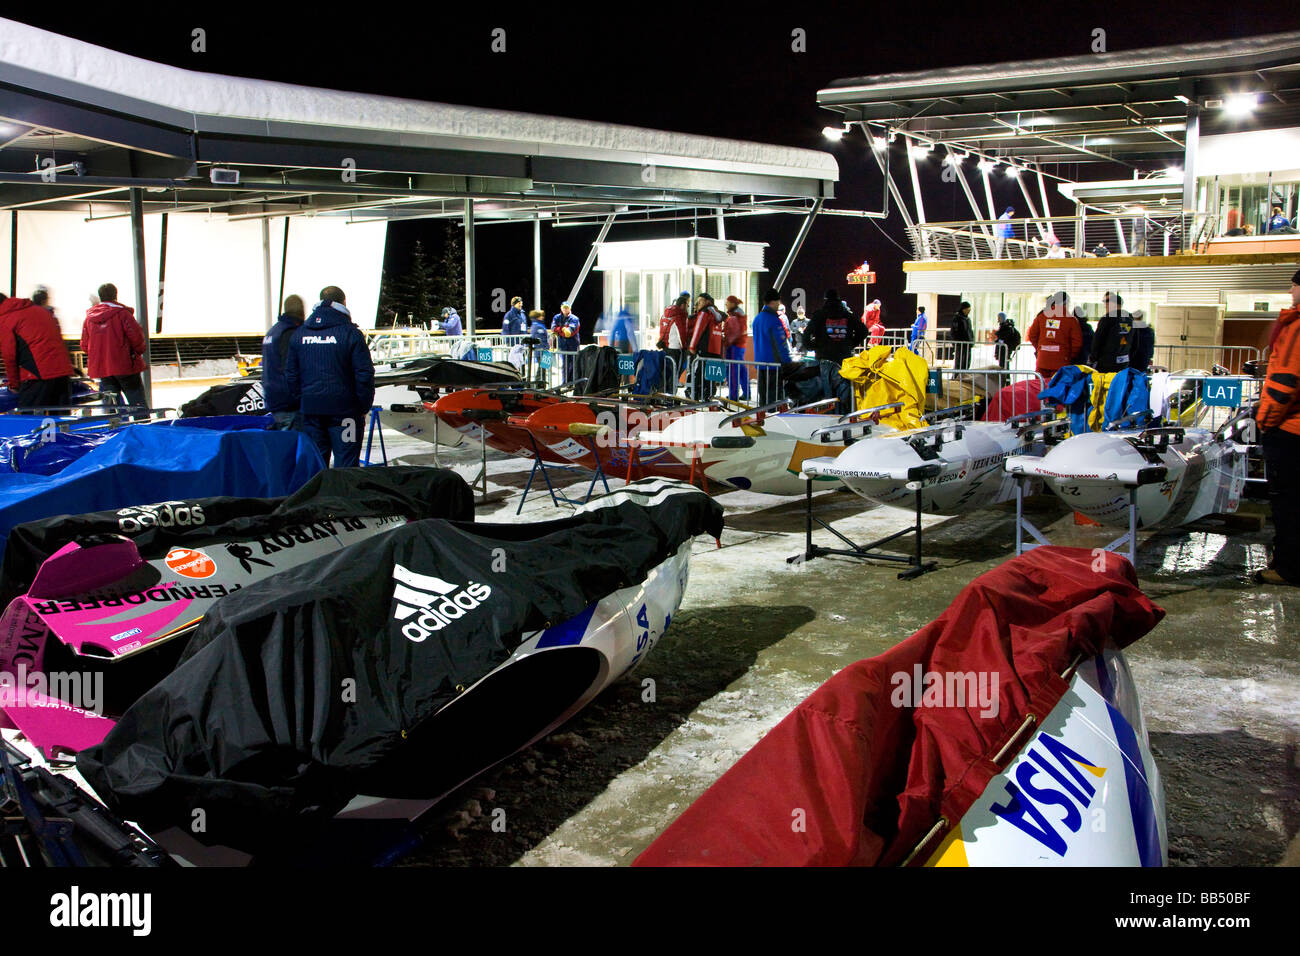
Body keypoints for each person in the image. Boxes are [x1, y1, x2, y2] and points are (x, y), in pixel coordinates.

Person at [285, 286, 374, 468]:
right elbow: (364, 374)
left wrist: (303, 400)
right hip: (346, 413)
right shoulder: (350, 334)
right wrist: (362, 406)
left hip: (312, 411)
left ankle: (319, 496)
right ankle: (344, 495)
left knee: (316, 463)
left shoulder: (300, 334)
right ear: (343, 303)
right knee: (346, 464)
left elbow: (291, 375)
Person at [1254, 270, 1300, 586]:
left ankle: (1288, 567)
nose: (1290, 289)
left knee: (1288, 502)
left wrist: (1264, 421)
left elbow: (1285, 382)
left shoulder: (1296, 328)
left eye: (1294, 285)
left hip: (1290, 431)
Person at [0, 291, 75, 408]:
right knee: (60, 421)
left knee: (29, 420)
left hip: (37, 376)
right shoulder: (41, 310)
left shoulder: (5, 319)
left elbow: (9, 355)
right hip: (63, 372)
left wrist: (14, 385)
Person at [81, 283, 147, 413]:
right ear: (115, 295)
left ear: (100, 297)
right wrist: (135, 353)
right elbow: (137, 339)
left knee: (113, 406)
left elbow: (84, 345)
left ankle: (117, 430)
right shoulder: (123, 314)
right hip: (125, 366)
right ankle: (142, 428)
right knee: (137, 402)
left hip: (102, 369)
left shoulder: (89, 318)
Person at [262, 294, 306, 430]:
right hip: (289, 404)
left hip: (274, 400)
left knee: (280, 447)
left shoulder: (273, 331)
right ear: (302, 312)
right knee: (295, 447)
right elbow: (291, 369)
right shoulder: (291, 333)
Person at [1026, 291, 1082, 380]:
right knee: (1058, 390)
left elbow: (1032, 335)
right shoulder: (1071, 320)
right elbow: (1077, 343)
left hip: (1042, 361)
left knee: (1040, 388)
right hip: (1061, 362)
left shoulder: (1042, 316)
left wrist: (1040, 348)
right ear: (1066, 303)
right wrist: (1069, 355)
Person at [752, 289, 791, 406]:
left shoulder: (757, 319)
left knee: (763, 397)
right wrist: (788, 362)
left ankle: (763, 419)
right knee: (774, 398)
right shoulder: (774, 321)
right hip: (774, 365)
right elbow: (781, 344)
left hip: (760, 364)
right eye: (778, 303)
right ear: (773, 302)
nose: (778, 306)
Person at [807, 288, 865, 365]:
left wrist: (814, 347)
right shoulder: (848, 315)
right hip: (843, 357)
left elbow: (806, 335)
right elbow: (863, 331)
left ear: (825, 299)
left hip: (823, 357)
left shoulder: (819, 315)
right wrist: (851, 344)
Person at [686, 292, 726, 400]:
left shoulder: (704, 313)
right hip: (716, 350)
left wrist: (692, 347)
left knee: (699, 374)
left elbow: (698, 330)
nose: (698, 303)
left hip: (704, 349)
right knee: (711, 377)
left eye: (700, 301)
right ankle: (709, 396)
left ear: (707, 302)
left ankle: (696, 396)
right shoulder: (718, 314)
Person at [1089, 292, 1134, 373]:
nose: (1105, 306)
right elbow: (1135, 344)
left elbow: (1097, 341)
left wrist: (1093, 358)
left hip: (1107, 363)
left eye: (1106, 302)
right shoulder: (1130, 320)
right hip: (1124, 363)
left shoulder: (1107, 319)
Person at [657, 293, 691, 391]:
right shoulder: (679, 316)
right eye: (687, 305)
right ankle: (671, 394)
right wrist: (685, 347)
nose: (687, 308)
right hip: (676, 349)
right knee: (675, 372)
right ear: (683, 305)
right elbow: (682, 334)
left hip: (665, 347)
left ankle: (663, 392)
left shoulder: (665, 314)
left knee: (666, 372)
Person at [723, 295, 749, 400]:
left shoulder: (734, 316)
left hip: (734, 346)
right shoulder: (740, 315)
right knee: (742, 370)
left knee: (733, 372)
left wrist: (727, 341)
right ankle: (747, 393)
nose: (726, 304)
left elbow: (734, 333)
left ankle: (733, 396)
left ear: (733, 304)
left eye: (727, 302)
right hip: (740, 346)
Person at [551, 301, 581, 384]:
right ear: (561, 308)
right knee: (565, 364)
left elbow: (570, 333)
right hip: (562, 344)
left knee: (573, 364)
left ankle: (573, 382)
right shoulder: (557, 317)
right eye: (564, 307)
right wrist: (563, 329)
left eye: (567, 307)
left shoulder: (574, 318)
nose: (565, 309)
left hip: (573, 344)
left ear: (570, 308)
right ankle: (565, 382)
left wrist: (559, 330)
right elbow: (553, 328)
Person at [948, 301, 974, 369]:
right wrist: (956, 342)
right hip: (960, 344)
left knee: (966, 361)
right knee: (959, 361)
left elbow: (970, 331)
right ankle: (956, 377)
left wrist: (971, 340)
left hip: (967, 344)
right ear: (963, 309)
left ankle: (964, 376)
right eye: (967, 310)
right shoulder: (957, 318)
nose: (968, 312)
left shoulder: (967, 319)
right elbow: (954, 332)